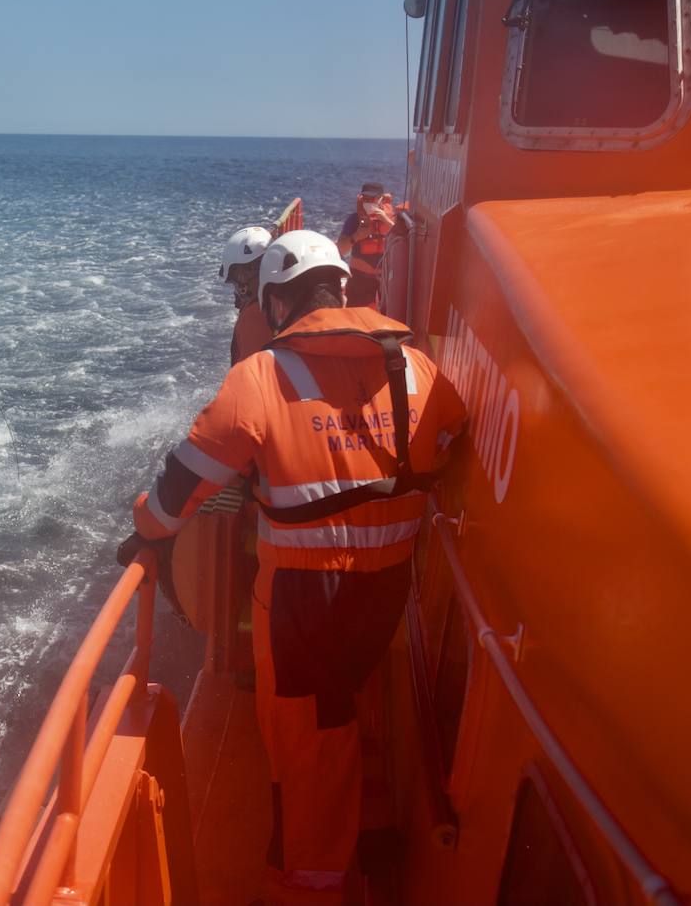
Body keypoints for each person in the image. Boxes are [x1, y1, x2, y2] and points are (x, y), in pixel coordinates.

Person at [119, 229, 466, 904]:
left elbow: (178, 488)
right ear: (342, 288)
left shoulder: (260, 377)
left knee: (308, 745)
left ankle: (306, 888)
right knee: (338, 714)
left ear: (276, 303)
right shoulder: (416, 367)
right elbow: (451, 435)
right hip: (389, 587)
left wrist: (145, 532)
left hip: (305, 602)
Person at [219, 226, 275, 365]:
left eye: (233, 279)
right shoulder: (284, 297)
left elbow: (251, 371)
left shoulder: (255, 317)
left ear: (243, 275)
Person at [335, 182, 397, 309]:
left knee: (384, 316)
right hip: (359, 279)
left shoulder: (393, 219)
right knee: (354, 316)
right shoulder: (354, 220)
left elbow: (405, 240)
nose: (368, 203)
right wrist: (357, 236)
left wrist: (386, 221)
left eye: (372, 199)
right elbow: (340, 249)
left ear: (381, 199)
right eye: (366, 199)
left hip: (385, 280)